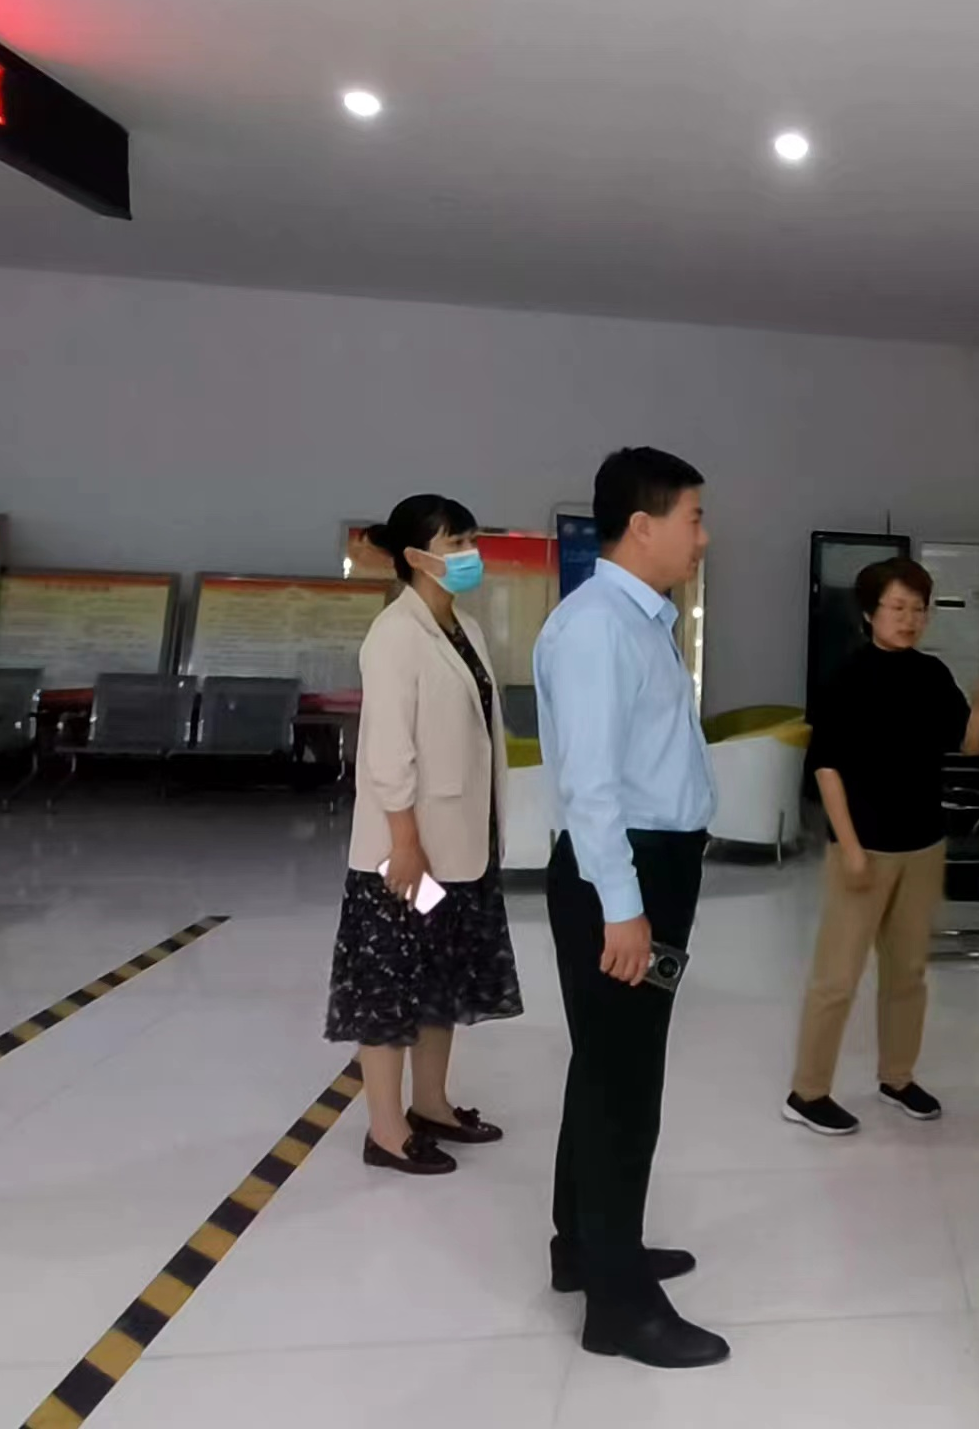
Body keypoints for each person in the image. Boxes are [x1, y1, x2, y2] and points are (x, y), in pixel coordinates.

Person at [535, 446, 727, 1369]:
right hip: (623, 878)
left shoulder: (640, 620)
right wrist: (624, 907)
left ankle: (587, 1246)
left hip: (652, 872)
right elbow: (592, 787)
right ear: (643, 526)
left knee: (607, 1067)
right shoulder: (595, 629)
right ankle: (618, 1308)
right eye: (694, 518)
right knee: (624, 1085)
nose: (704, 537)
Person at [330, 494, 522, 1177]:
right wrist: (405, 844)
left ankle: (432, 1105)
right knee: (390, 986)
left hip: (461, 845)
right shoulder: (394, 636)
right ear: (416, 557)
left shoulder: (463, 626)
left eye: (472, 539)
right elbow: (388, 753)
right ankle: (386, 1131)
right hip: (406, 856)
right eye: (456, 542)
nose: (471, 553)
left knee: (439, 978)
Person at [783, 557, 979, 1135]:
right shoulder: (845, 677)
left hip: (922, 844)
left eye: (918, 609)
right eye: (897, 607)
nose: (909, 619)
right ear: (869, 613)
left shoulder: (931, 674)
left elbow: (970, 746)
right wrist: (850, 846)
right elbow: (826, 768)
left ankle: (897, 1077)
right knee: (838, 977)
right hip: (863, 848)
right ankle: (807, 1092)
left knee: (908, 973)